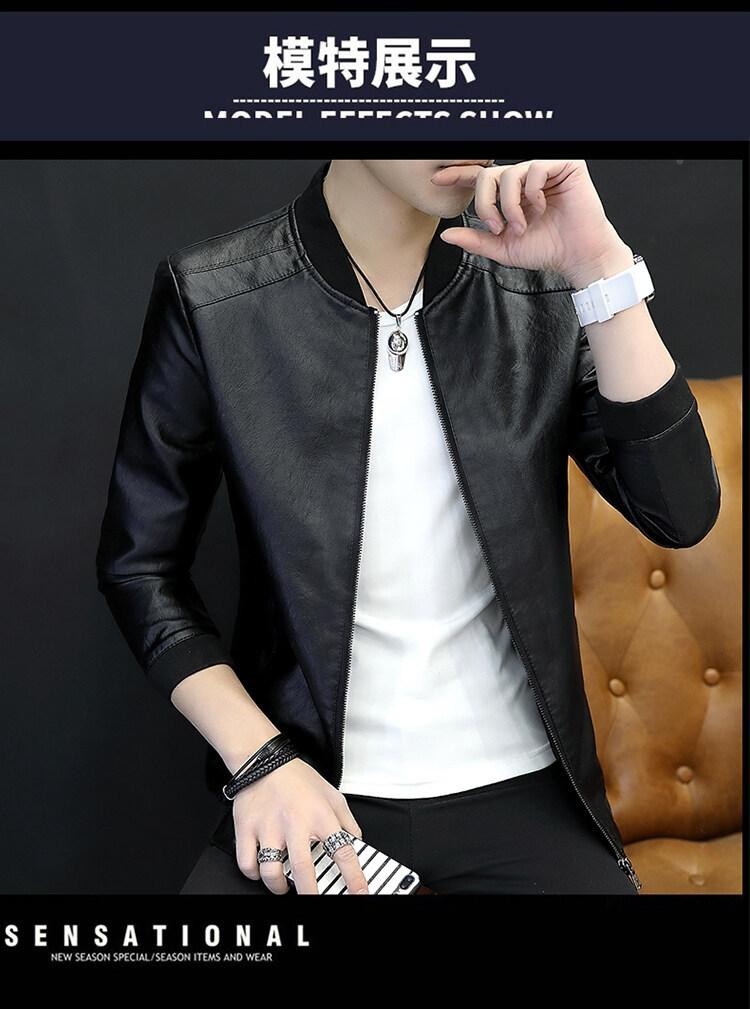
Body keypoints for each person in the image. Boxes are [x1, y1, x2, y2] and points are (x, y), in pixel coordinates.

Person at [95, 158, 721, 895]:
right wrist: (260, 760)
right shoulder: (217, 294)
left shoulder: (539, 285)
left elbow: (679, 511)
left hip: (526, 795)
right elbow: (141, 567)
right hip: (315, 790)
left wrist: (598, 267)